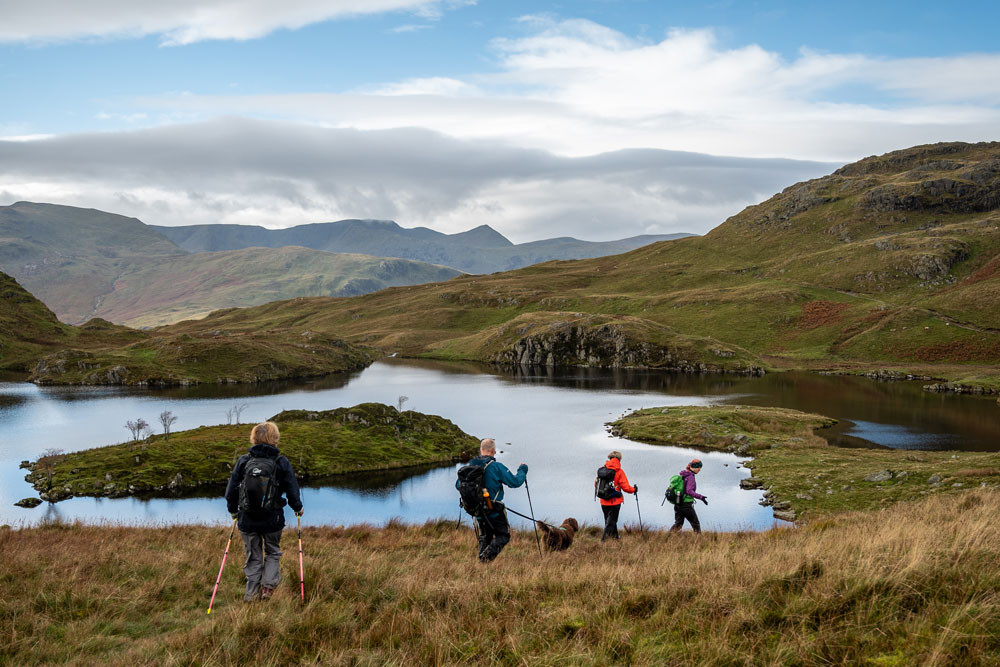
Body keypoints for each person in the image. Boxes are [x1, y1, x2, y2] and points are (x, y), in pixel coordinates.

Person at [224, 421, 303, 601]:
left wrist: (233, 511)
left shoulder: (244, 461)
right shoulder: (281, 462)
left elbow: (231, 491)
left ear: (254, 438)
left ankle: (251, 594)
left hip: (247, 519)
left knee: (253, 556)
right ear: (275, 438)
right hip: (272, 519)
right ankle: (267, 589)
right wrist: (298, 508)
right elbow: (292, 488)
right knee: (273, 552)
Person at [458, 438, 527, 562]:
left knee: (486, 536)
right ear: (493, 451)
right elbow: (515, 482)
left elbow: (458, 485)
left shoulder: (469, 467)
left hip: (477, 510)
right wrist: (523, 469)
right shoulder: (496, 467)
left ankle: (482, 563)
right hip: (493, 509)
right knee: (503, 535)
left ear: (481, 450)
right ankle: (485, 557)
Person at [597, 450, 636, 541]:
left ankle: (615, 538)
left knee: (609, 521)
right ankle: (603, 541)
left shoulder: (602, 470)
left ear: (609, 458)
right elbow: (626, 487)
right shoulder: (619, 471)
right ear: (619, 459)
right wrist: (634, 489)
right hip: (614, 502)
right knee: (611, 522)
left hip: (603, 500)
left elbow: (596, 484)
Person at [671, 458, 707, 533]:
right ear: (693, 467)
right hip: (686, 505)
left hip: (678, 502)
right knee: (695, 524)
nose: (699, 469)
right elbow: (689, 491)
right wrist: (701, 497)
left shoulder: (684, 475)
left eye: (700, 467)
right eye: (698, 467)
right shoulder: (690, 477)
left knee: (678, 524)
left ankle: (668, 537)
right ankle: (698, 539)